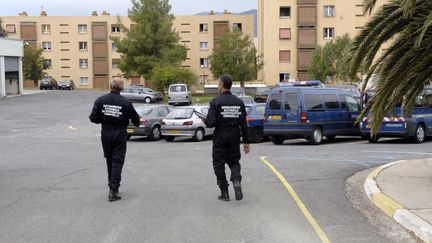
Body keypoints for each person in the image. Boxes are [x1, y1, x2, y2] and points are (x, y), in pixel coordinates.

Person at [89, 78, 140, 202]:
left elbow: (93, 118)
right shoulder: (126, 102)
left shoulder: (100, 100)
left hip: (106, 133)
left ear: (110, 86)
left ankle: (112, 186)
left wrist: (105, 118)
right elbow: (136, 121)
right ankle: (113, 190)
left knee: (110, 159)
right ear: (121, 87)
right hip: (120, 133)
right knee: (117, 161)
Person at [201, 74, 250, 201]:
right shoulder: (239, 102)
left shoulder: (215, 102)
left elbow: (211, 123)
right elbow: (244, 123)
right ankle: (236, 180)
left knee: (218, 164)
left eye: (218, 84)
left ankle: (224, 192)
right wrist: (246, 141)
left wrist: (205, 120)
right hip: (234, 136)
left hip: (220, 137)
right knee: (234, 162)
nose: (218, 86)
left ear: (222, 85)